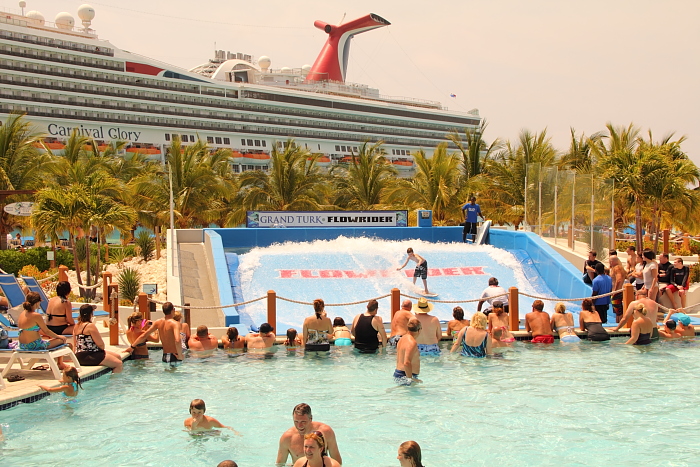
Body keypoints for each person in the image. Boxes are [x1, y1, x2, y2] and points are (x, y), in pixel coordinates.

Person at [276, 403, 342, 466]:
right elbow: (279, 465)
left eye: (303, 422)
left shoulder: (326, 432)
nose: (299, 426)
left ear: (310, 419)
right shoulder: (287, 438)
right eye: (296, 421)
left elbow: (337, 461)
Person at [73, 304, 125, 372]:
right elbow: (101, 345)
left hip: (79, 356)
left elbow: (75, 344)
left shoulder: (76, 326)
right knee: (118, 364)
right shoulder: (90, 326)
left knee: (117, 356)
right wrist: (101, 352)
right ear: (91, 314)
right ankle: (114, 382)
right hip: (90, 356)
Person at [394, 318, 422, 386]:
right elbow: (406, 362)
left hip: (399, 373)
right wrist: (410, 379)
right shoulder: (412, 342)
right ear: (419, 330)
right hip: (406, 374)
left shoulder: (402, 338)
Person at [609, 256, 626, 322]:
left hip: (617, 292)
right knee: (617, 312)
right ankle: (617, 325)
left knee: (619, 311)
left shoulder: (617, 268)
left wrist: (615, 291)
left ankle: (620, 325)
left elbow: (619, 279)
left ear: (612, 262)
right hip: (617, 292)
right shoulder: (616, 268)